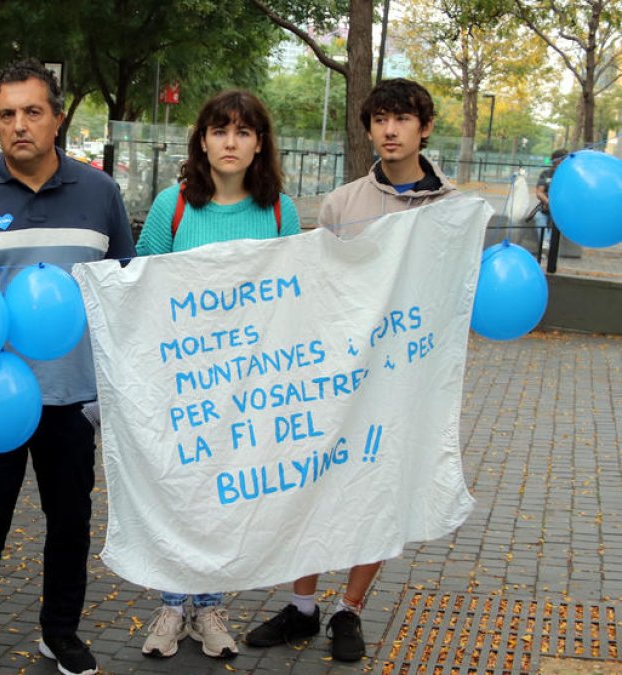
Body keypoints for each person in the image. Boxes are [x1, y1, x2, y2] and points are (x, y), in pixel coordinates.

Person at [0, 58, 135, 675]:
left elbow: (123, 296)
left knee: (69, 526)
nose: (19, 125)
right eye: (7, 114)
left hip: (73, 401)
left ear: (57, 118)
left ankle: (59, 633)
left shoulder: (101, 194)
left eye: (32, 112)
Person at [244, 78, 457, 663]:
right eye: (379, 119)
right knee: (316, 481)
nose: (389, 130)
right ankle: (302, 606)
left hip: (404, 376)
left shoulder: (451, 209)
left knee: (379, 490)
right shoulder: (341, 204)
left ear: (424, 127)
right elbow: (320, 288)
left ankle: (350, 609)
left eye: (402, 119)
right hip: (337, 372)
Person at [135, 89, 301, 660]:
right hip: (180, 382)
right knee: (177, 492)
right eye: (219, 130)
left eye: (243, 132)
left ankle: (209, 609)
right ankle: (170, 606)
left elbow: (294, 296)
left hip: (248, 387)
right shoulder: (173, 206)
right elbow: (139, 284)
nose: (231, 142)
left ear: (260, 144)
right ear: (202, 141)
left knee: (222, 500)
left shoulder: (279, 212)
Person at [533, 148, 568, 248]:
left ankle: (551, 245)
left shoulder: (568, 175)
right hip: (546, 208)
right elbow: (539, 192)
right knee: (538, 217)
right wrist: (548, 202)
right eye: (560, 160)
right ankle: (545, 242)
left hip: (563, 209)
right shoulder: (546, 173)